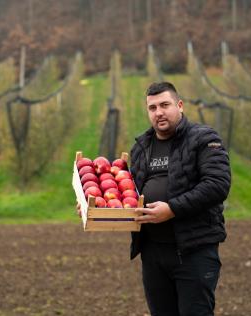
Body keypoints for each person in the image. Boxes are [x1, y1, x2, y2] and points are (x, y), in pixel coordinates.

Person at [78, 82, 231, 316]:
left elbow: (217, 185)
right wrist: (96, 206)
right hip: (153, 254)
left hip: (192, 251)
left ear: (179, 106)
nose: (158, 112)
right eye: (152, 107)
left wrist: (172, 208)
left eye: (165, 105)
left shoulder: (204, 139)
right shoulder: (142, 147)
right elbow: (127, 193)